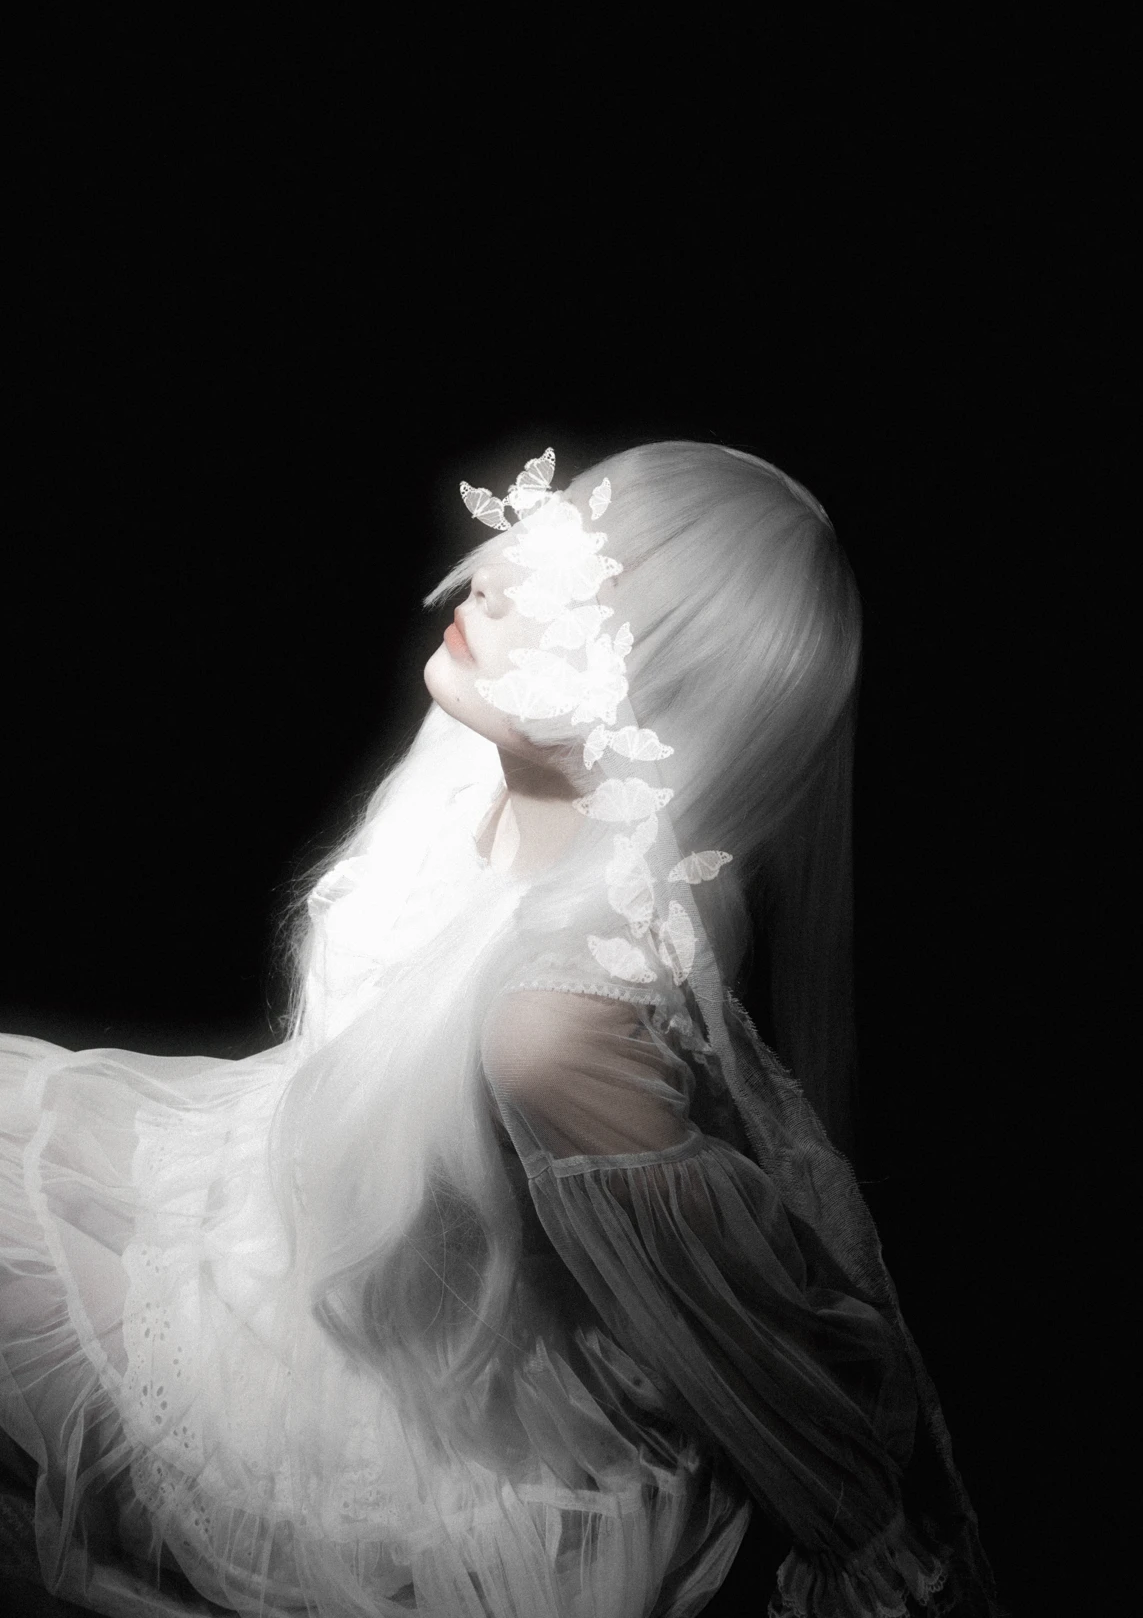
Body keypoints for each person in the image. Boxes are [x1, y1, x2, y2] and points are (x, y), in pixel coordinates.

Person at [0, 441, 1004, 1617]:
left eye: (580, 598)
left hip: (407, 1419)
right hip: (265, 1230)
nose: (493, 580)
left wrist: (877, 1557)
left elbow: (733, 1335)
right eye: (549, 532)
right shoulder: (485, 749)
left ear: (663, 701)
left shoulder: (560, 1015)